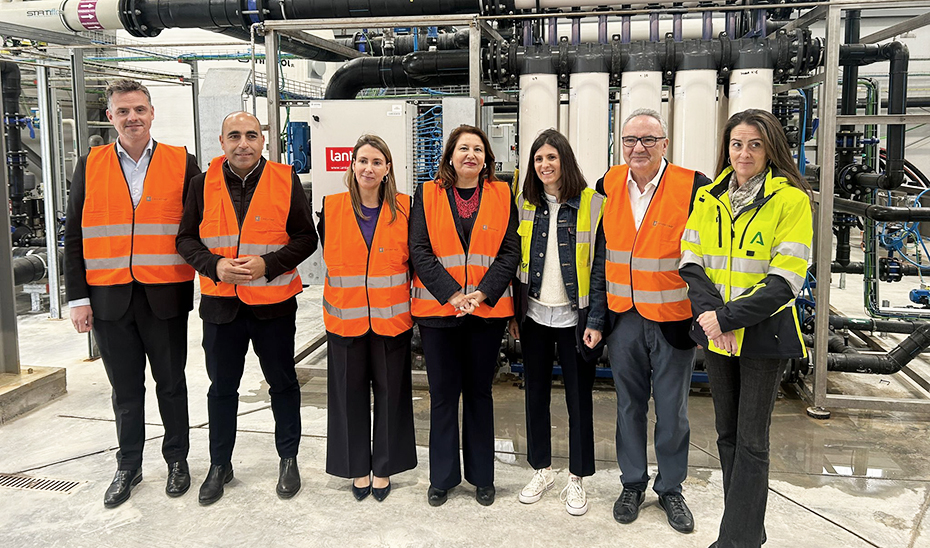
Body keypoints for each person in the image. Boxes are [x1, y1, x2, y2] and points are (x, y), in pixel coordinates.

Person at [64, 79, 200, 508]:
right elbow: (73, 237)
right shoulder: (90, 163)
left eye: (139, 109)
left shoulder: (183, 163)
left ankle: (177, 460)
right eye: (123, 111)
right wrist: (77, 298)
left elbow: (199, 229)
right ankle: (129, 466)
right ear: (110, 117)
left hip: (164, 295)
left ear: (152, 112)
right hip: (107, 298)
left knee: (171, 383)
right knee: (125, 390)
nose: (132, 117)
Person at [680, 109, 812, 548]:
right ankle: (748, 532)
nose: (744, 153)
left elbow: (786, 279)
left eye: (754, 144)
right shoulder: (710, 195)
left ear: (770, 148)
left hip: (762, 337)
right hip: (718, 333)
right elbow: (691, 260)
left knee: (752, 441)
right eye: (737, 144)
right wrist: (712, 316)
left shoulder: (789, 199)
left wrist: (727, 318)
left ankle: (735, 540)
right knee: (727, 435)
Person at [176, 111, 318, 505]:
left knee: (283, 384)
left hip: (273, 305)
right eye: (234, 136)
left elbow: (307, 237)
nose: (243, 143)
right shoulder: (200, 184)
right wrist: (215, 265)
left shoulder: (284, 179)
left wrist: (269, 265)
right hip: (221, 307)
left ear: (263, 141)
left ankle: (288, 459)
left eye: (251, 135)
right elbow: (186, 239)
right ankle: (220, 464)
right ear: (221, 142)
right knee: (222, 389)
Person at [588, 108, 711, 533]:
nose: (638, 148)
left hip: (674, 320)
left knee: (673, 411)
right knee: (628, 407)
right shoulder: (608, 184)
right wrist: (598, 316)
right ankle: (633, 483)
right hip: (624, 319)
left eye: (647, 140)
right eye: (630, 140)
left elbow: (706, 257)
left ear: (664, 143)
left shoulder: (694, 186)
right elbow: (601, 255)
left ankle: (671, 488)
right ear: (621, 144)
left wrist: (704, 318)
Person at [409, 125, 519, 507]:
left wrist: (482, 292)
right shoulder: (426, 194)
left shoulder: (504, 194)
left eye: (477, 149)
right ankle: (442, 478)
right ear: (450, 156)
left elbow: (510, 251)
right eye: (463, 148)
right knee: (442, 396)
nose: (470, 154)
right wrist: (453, 294)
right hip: (439, 312)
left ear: (487, 158)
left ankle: (482, 478)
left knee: (478, 393)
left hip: (486, 312)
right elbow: (419, 250)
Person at [509, 129, 604, 516]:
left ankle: (577, 478)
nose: (545, 165)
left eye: (551, 157)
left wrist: (596, 318)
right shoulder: (524, 203)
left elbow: (600, 266)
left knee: (578, 399)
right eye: (538, 159)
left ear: (565, 158)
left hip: (575, 318)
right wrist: (515, 314)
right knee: (535, 396)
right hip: (533, 315)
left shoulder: (594, 204)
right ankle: (542, 470)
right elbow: (514, 261)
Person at [319, 135, 416, 502]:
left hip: (392, 321)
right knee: (348, 397)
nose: (368, 168)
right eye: (362, 161)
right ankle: (356, 466)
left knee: (392, 397)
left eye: (377, 162)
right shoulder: (332, 207)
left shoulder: (405, 209)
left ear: (388, 169)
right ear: (352, 165)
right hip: (346, 320)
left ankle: (385, 466)